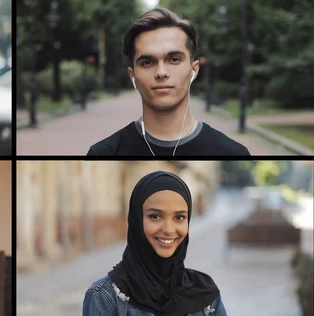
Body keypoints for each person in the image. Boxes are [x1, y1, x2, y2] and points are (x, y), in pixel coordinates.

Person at [87, 8, 249, 156]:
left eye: (174, 59)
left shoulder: (233, 152)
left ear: (194, 69)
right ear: (133, 75)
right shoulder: (103, 152)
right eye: (147, 62)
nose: (161, 73)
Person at [82, 171, 227, 316]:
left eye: (179, 217)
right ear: (136, 220)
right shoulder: (105, 297)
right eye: (155, 216)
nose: (169, 230)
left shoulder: (205, 294)